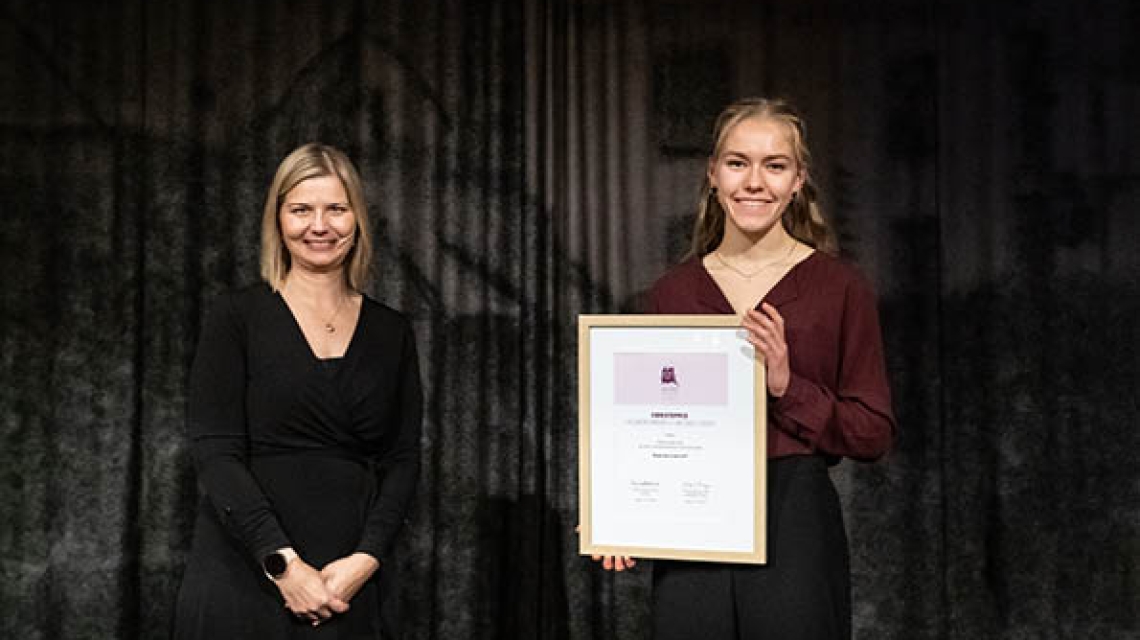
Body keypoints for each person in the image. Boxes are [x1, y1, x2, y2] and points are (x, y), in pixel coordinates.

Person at [595, 98, 896, 639]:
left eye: (774, 165)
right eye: (738, 163)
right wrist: (620, 515)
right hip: (693, 527)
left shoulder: (840, 288)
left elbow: (873, 432)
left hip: (795, 520)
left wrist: (786, 385)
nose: (754, 182)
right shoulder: (673, 292)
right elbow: (649, 424)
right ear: (713, 174)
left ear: (798, 179)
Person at [173, 143, 423, 639]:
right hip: (244, 576)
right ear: (277, 219)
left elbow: (403, 458)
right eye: (301, 210)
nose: (319, 226)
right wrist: (283, 566)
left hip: (345, 584)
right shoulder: (236, 317)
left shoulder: (392, 331)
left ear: (357, 218)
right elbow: (216, 451)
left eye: (336, 208)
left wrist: (366, 560)